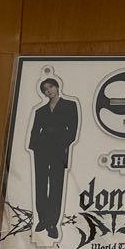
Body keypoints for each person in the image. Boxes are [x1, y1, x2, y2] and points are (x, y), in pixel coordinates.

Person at [27, 77, 79, 240]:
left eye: (50, 87)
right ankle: (42, 219)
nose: (48, 91)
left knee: (56, 184)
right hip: (41, 149)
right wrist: (34, 147)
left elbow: (72, 129)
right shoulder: (40, 111)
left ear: (57, 87)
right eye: (45, 89)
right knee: (41, 183)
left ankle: (52, 223)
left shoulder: (70, 105)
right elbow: (35, 131)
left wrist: (63, 144)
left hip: (58, 149)